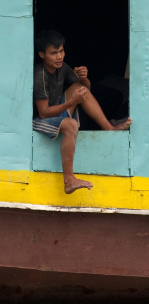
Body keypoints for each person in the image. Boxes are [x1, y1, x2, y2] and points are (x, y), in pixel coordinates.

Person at [33, 30, 132, 194]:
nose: (59, 57)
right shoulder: (39, 76)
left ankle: (109, 128)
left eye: (61, 51)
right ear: (42, 54)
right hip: (41, 120)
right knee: (71, 125)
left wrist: (84, 78)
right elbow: (43, 113)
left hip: (57, 113)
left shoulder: (62, 67)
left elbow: (86, 91)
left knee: (79, 88)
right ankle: (69, 180)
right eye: (53, 53)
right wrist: (71, 103)